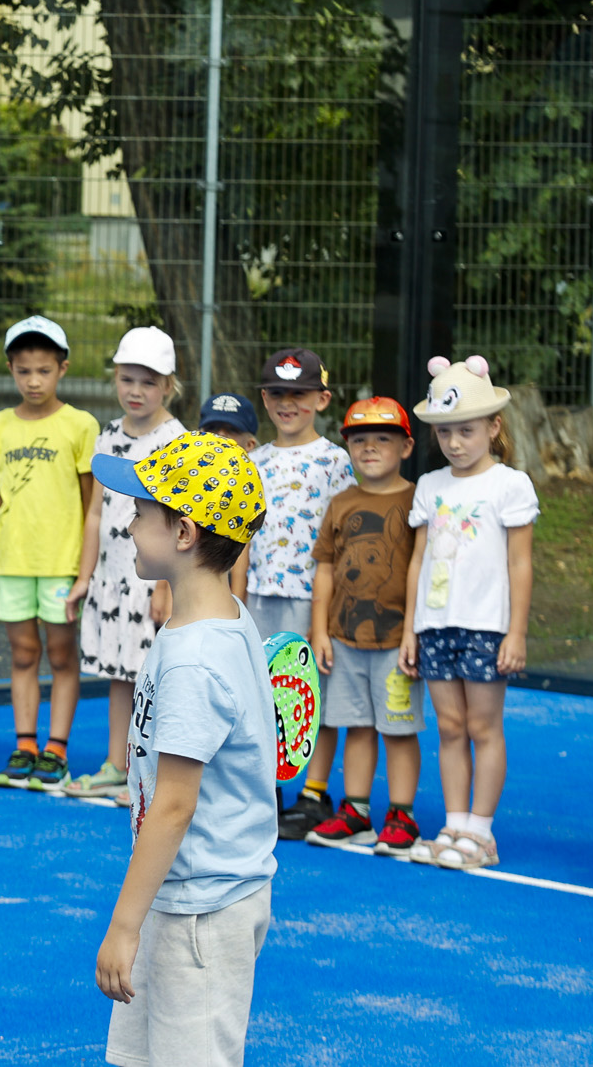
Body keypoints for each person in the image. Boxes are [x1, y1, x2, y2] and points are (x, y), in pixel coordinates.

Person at [92, 432, 276, 1067]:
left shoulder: (197, 660)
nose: (129, 525)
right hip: (188, 895)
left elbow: (174, 806)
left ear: (184, 533)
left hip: (201, 909)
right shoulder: (220, 620)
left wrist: (123, 926)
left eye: (141, 513)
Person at [402, 355, 537, 871]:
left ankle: (481, 832)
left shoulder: (511, 485)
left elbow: (519, 564)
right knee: (451, 726)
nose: (455, 442)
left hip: (486, 626)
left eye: (466, 430)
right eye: (444, 433)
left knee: (484, 726)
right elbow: (418, 559)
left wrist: (515, 632)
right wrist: (413, 628)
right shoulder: (431, 486)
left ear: (493, 426)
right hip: (435, 625)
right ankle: (454, 825)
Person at [0, 314, 98, 788]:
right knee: (23, 653)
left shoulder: (80, 426)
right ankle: (24, 744)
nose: (33, 380)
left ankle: (57, 749)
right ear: (10, 369)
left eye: (43, 370)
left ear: (61, 370)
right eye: (23, 370)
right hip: (12, 561)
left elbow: (92, 504)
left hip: (60, 562)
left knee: (62, 656)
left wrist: (84, 566)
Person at [65, 326, 187, 800]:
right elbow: (95, 512)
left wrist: (165, 585)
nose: (136, 391)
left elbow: (179, 520)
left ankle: (150, 775)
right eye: (127, 380)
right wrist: (84, 576)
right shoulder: (107, 436)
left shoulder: (177, 441)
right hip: (112, 579)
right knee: (120, 675)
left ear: (168, 386)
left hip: (151, 582)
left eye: (149, 382)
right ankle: (118, 765)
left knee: (152, 679)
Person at [242, 347, 356, 840]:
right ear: (264, 398)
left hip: (311, 597)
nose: (287, 403)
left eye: (299, 394)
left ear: (322, 399)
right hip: (260, 592)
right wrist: (238, 593)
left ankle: (314, 791)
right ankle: (265, 787)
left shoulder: (334, 460)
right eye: (277, 393)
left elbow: (345, 540)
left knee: (311, 694)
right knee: (263, 694)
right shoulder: (255, 460)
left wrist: (328, 612)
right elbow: (242, 531)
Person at [304, 397, 424, 855]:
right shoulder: (340, 503)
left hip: (396, 642)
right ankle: (356, 810)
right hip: (344, 639)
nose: (369, 448)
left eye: (382, 439)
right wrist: (320, 630)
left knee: (398, 727)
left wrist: (415, 631)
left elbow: (420, 565)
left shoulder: (417, 501)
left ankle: (402, 813)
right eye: (358, 440)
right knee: (354, 724)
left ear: (406, 447)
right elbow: (327, 571)